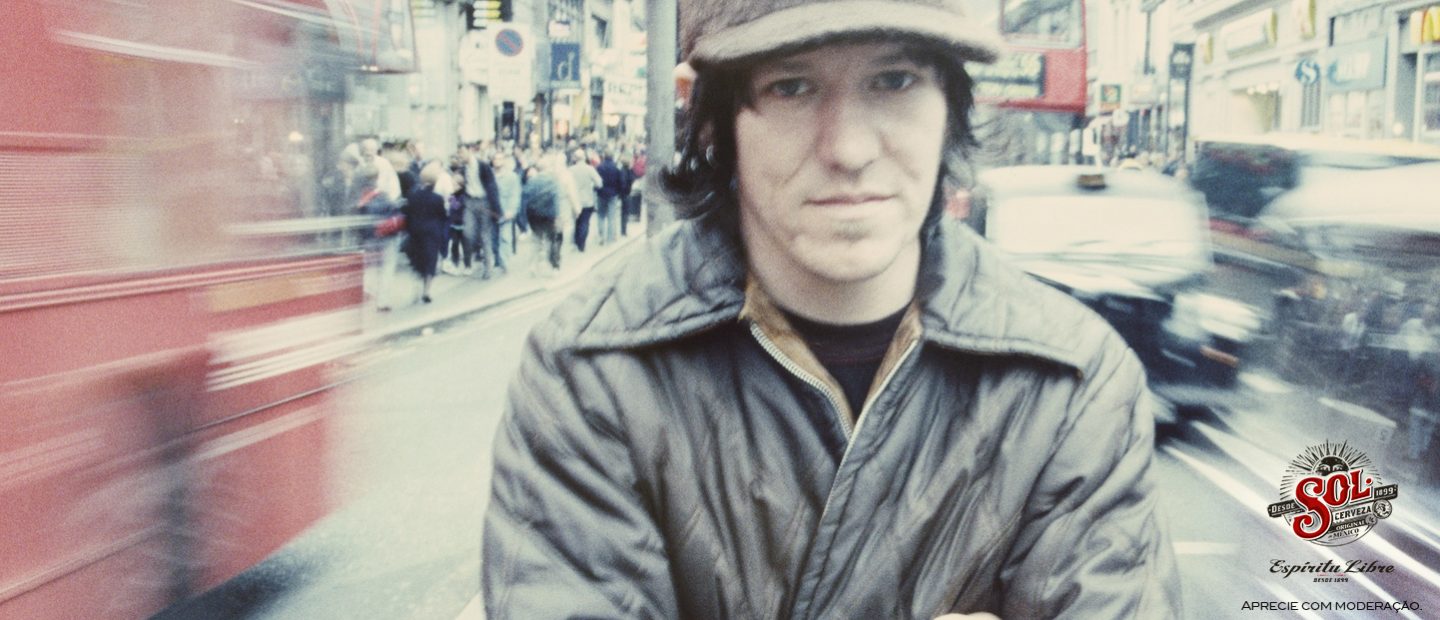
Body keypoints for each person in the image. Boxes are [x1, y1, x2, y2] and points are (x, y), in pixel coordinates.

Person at [483, 0, 1181, 616]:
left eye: (894, 81)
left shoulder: (1073, 383)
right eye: (791, 87)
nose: (848, 149)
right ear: (709, 117)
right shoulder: (593, 370)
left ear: (949, 103)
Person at [401, 162, 449, 303]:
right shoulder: (437, 198)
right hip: (432, 233)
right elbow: (442, 216)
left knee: (418, 260)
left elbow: (407, 214)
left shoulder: (412, 195)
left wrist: (408, 229)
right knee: (430, 261)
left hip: (415, 232)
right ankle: (426, 291)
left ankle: (417, 284)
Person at [567, 148, 602, 251]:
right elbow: (599, 183)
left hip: (574, 201)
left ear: (575, 158)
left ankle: (576, 241)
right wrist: (592, 186)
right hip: (587, 200)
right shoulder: (590, 169)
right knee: (585, 222)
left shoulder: (570, 170)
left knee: (576, 221)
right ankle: (581, 244)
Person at [594, 150, 624, 246]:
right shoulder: (616, 168)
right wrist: (619, 192)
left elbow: (595, 181)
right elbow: (620, 181)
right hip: (613, 194)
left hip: (601, 194)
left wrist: (597, 190)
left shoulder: (599, 167)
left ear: (604, 156)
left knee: (601, 216)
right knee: (612, 217)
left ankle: (601, 236)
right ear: (612, 156)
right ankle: (610, 238)